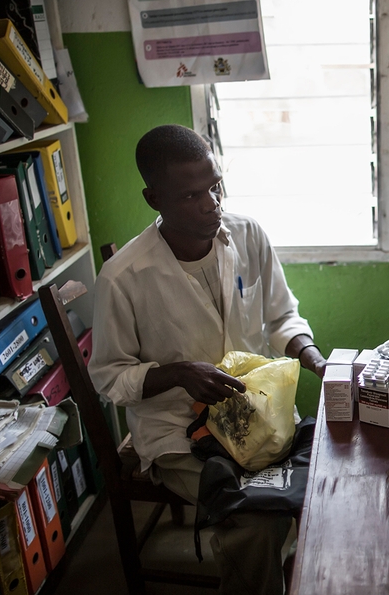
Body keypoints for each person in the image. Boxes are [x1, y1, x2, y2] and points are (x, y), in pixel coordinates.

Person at [89, 124, 327, 593]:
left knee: (327, 477)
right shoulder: (124, 277)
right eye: (191, 195)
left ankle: (288, 575)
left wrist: (314, 358)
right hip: (181, 432)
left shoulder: (247, 235)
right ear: (152, 198)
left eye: (215, 185)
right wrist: (177, 375)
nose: (210, 203)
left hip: (259, 415)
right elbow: (108, 377)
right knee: (256, 523)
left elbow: (282, 316)